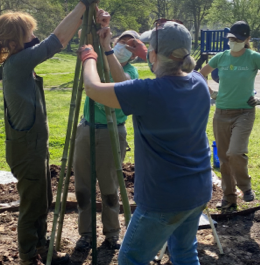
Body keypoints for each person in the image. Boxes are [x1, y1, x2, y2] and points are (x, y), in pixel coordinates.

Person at [78, 20, 212, 265]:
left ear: (153, 55)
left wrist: (89, 57)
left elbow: (93, 88)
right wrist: (111, 50)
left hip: (163, 199)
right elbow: (143, 82)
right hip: (198, 189)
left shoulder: (148, 92)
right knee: (184, 252)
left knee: (130, 259)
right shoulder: (198, 83)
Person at [0, 0, 99, 264]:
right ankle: (29, 257)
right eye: (29, 33)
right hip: (26, 150)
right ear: (17, 39)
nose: (34, 37)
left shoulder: (20, 62)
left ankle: (40, 248)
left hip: (32, 147)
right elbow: (57, 40)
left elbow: (54, 39)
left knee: (42, 200)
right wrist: (82, 6)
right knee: (32, 206)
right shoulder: (18, 63)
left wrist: (83, 13)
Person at [73, 25, 146, 250]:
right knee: (83, 187)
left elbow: (120, 81)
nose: (123, 47)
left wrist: (107, 51)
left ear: (135, 53)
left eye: (130, 44)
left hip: (111, 133)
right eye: (121, 41)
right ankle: (86, 234)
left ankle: (112, 233)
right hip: (86, 129)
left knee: (109, 187)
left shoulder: (131, 74)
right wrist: (94, 22)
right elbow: (83, 37)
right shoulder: (96, 63)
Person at [200, 21, 260, 210]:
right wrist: (211, 92)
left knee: (235, 152)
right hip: (221, 113)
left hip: (244, 113)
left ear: (247, 39)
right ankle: (229, 198)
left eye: (238, 39)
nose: (234, 42)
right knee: (224, 158)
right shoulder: (221, 57)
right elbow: (199, 74)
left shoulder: (253, 57)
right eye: (232, 38)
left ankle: (245, 187)